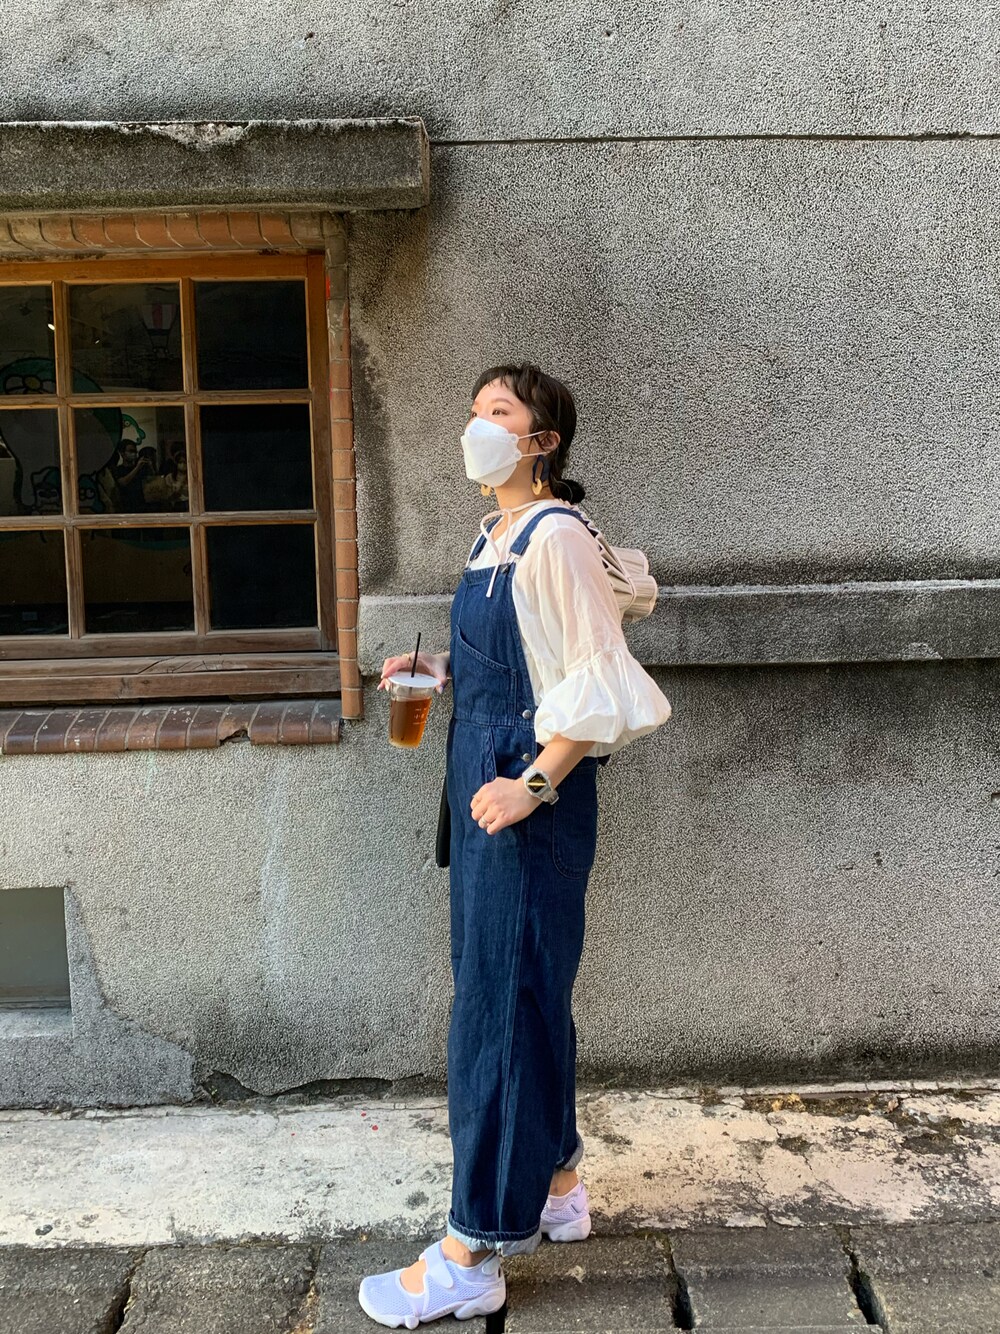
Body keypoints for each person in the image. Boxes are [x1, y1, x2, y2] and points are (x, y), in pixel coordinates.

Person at [360, 363, 673, 1329]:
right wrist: (443, 674)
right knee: (521, 995)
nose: (477, 427)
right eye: (474, 411)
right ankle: (558, 1185)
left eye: (498, 413)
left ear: (543, 440)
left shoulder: (555, 536)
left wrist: (531, 785)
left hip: (524, 800)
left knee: (498, 1012)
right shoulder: (493, 536)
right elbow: (529, 658)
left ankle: (474, 1250)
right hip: (486, 790)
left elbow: (600, 680)